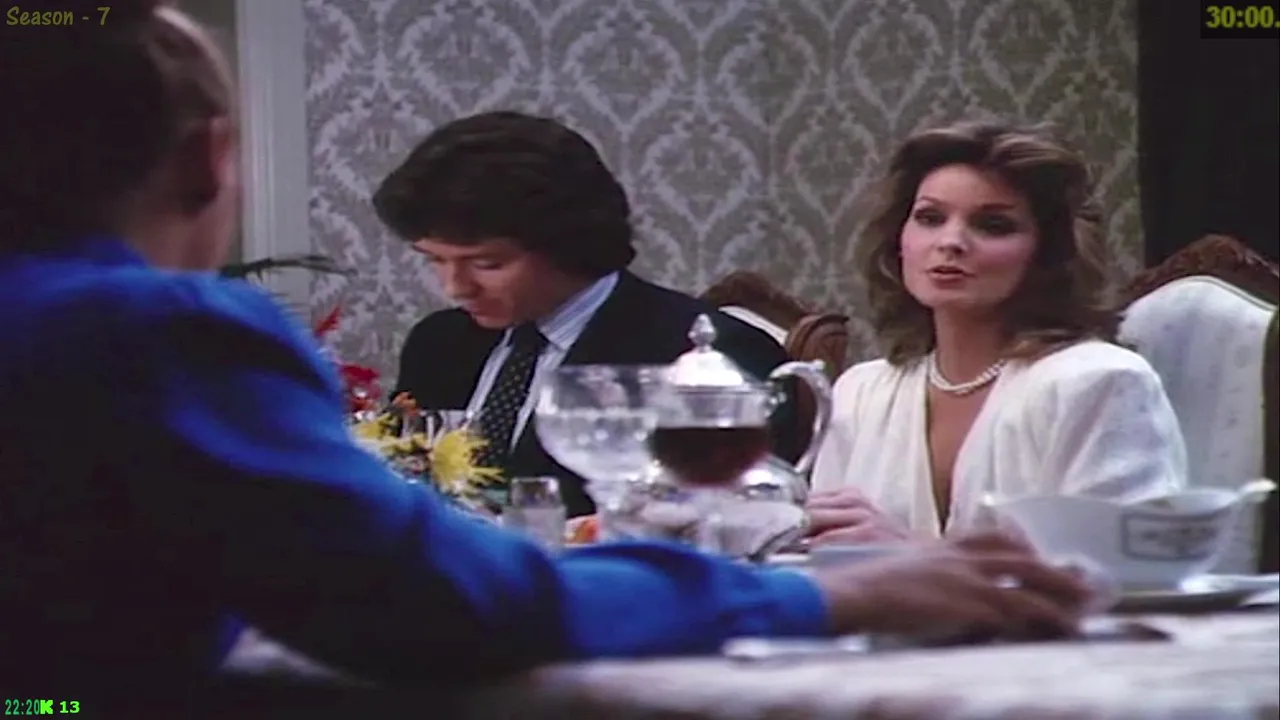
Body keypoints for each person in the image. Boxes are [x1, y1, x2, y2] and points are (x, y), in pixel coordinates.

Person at [0, 2, 1092, 702]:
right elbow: (441, 604)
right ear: (209, 160)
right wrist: (837, 600)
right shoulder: (153, 332)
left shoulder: (695, 348)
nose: (454, 288)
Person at [374, 111, 802, 517]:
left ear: (569, 243)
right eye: (435, 260)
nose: (455, 287)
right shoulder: (439, 342)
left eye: (487, 264)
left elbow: (744, 517)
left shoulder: (702, 350)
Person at [806, 122, 1188, 545]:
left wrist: (917, 555)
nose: (951, 241)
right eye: (930, 218)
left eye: (993, 225)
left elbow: (1125, 566)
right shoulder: (861, 394)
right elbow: (822, 557)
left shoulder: (1098, 381)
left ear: (1048, 252)